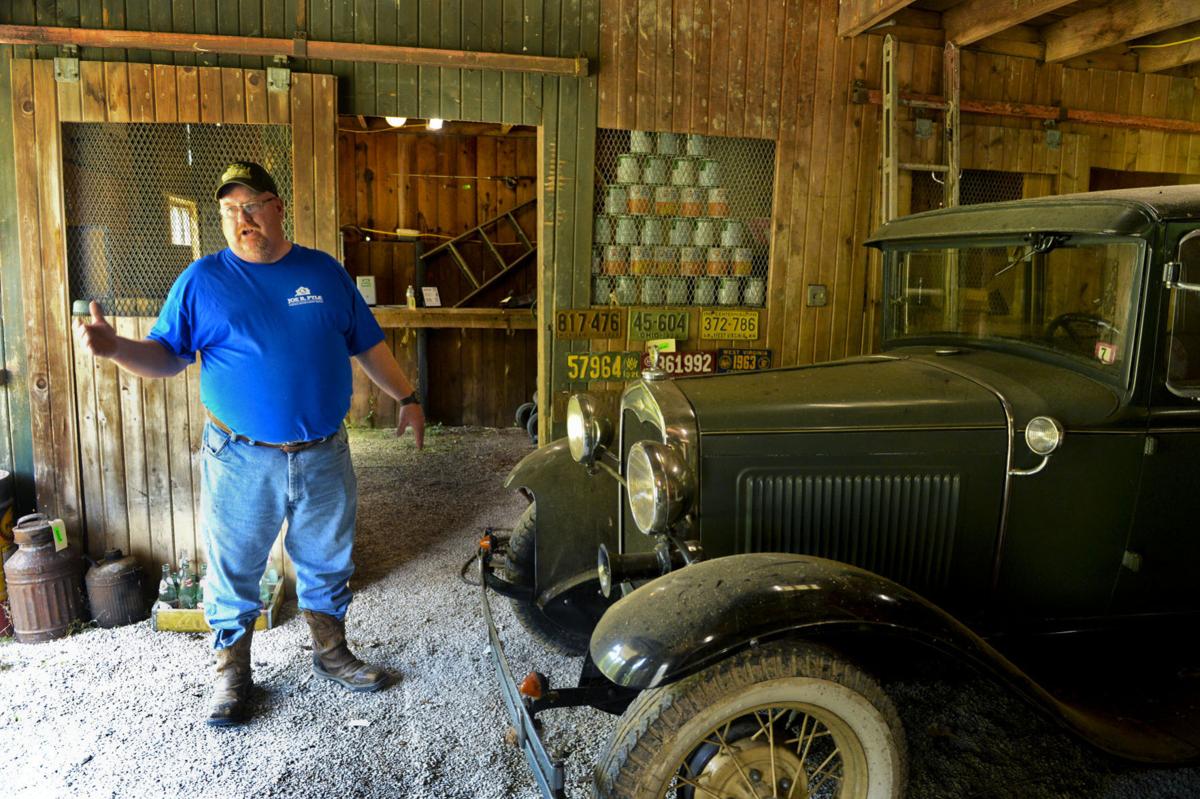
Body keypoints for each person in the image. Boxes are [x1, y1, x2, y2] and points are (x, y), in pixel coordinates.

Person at [73, 160, 425, 727]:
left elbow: (367, 344)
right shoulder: (203, 281)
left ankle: (330, 653)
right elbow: (167, 356)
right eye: (229, 211)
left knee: (328, 559)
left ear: (277, 207)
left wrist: (407, 398)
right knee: (235, 566)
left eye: (252, 205)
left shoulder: (325, 273)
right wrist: (117, 348)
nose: (242, 219)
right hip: (240, 456)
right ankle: (232, 673)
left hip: (323, 452)